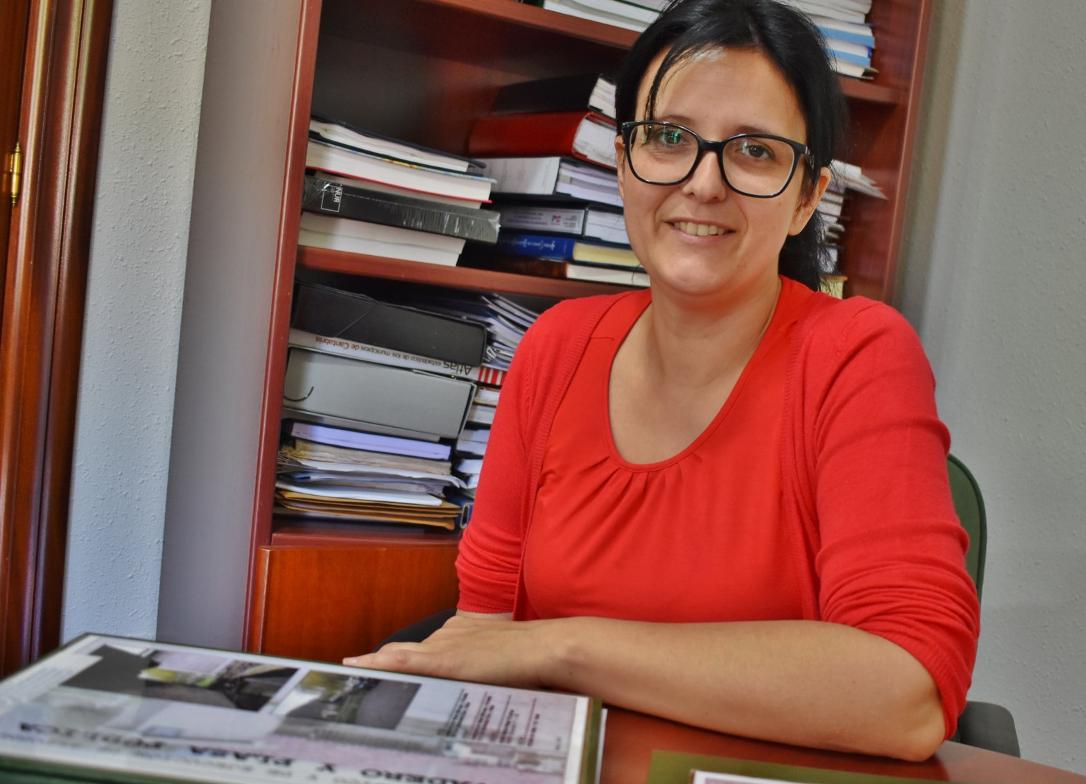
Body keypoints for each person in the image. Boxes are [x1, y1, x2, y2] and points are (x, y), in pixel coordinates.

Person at [345, 0, 979, 761]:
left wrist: (565, 647)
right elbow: (483, 635)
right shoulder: (557, 348)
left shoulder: (855, 355)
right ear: (623, 164)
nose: (704, 184)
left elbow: (905, 696)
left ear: (807, 196)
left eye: (754, 150)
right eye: (669, 138)